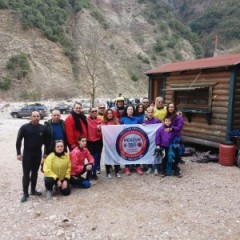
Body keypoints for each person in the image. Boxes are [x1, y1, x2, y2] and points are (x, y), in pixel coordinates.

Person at [16, 111, 47, 203]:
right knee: (26, 174)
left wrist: (45, 154)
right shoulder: (24, 128)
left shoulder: (43, 128)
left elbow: (46, 143)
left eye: (38, 116)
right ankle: (25, 193)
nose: (36, 118)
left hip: (37, 154)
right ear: (31, 117)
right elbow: (18, 141)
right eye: (34, 116)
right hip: (27, 154)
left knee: (35, 173)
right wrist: (18, 153)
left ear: (40, 117)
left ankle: (33, 190)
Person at [120, 105, 143, 176]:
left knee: (137, 152)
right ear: (126, 111)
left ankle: (138, 166)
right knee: (126, 152)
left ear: (133, 111)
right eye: (129, 109)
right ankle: (127, 167)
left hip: (136, 139)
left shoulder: (137, 119)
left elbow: (142, 126)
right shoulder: (122, 119)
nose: (130, 110)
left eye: (131, 109)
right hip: (126, 140)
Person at [102, 108, 121, 179]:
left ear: (112, 114)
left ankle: (116, 172)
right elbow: (100, 132)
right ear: (106, 114)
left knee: (116, 157)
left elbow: (120, 129)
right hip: (107, 143)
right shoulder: (103, 122)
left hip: (115, 143)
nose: (109, 114)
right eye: (108, 113)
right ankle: (108, 172)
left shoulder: (116, 121)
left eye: (111, 113)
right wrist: (99, 128)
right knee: (108, 157)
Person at [143, 107, 161, 175]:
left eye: (151, 112)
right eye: (149, 112)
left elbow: (160, 130)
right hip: (148, 141)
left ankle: (156, 168)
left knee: (156, 153)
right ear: (146, 113)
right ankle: (149, 167)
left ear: (153, 113)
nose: (150, 114)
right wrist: (143, 125)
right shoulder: (145, 121)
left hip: (156, 140)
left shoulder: (157, 121)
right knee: (148, 153)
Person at [87, 107, 103, 180]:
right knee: (90, 157)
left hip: (98, 141)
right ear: (90, 112)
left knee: (96, 157)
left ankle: (94, 172)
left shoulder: (100, 120)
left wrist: (99, 130)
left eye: (95, 111)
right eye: (92, 111)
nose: (94, 112)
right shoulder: (86, 120)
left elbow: (101, 134)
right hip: (89, 141)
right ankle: (89, 172)